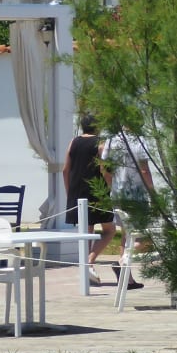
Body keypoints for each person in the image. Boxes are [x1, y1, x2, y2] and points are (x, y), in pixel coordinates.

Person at [63, 113, 114, 285]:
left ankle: (88, 269)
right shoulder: (100, 143)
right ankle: (89, 262)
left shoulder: (73, 142)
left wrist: (69, 192)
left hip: (77, 192)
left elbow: (65, 170)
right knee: (110, 230)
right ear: (97, 126)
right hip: (96, 191)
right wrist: (109, 189)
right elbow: (104, 170)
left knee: (87, 231)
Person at [101, 128, 154, 289]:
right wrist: (153, 193)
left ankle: (127, 278)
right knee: (147, 239)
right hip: (136, 196)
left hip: (118, 194)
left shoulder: (111, 140)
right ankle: (122, 262)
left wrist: (113, 187)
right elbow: (144, 170)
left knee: (126, 235)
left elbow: (104, 169)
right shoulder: (139, 139)